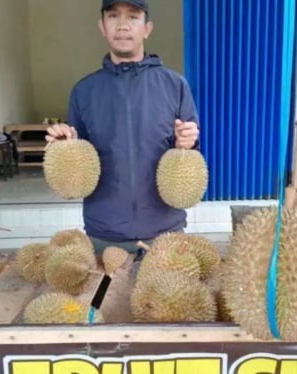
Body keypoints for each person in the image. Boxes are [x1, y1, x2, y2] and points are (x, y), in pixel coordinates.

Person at [45, 0, 200, 255]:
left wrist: (189, 142)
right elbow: (78, 167)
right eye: (114, 16)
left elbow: (190, 149)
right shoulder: (84, 91)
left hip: (165, 233)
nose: (123, 26)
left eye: (133, 17)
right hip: (104, 235)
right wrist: (65, 145)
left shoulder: (174, 85)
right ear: (102, 27)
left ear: (147, 28)